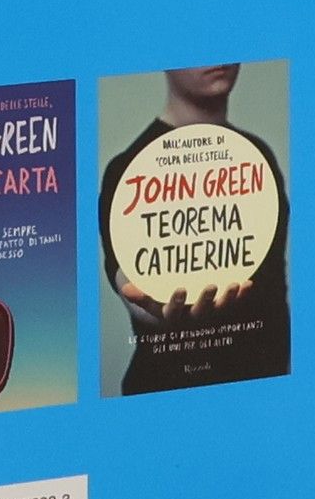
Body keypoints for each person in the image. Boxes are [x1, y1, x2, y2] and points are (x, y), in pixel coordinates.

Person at [99, 64, 292, 394]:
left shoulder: (259, 156)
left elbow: (274, 293)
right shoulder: (127, 169)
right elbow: (127, 283)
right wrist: (155, 311)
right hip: (167, 400)